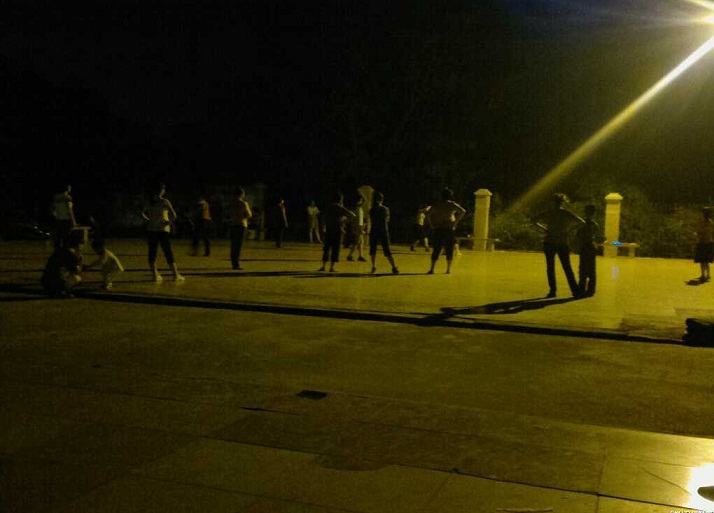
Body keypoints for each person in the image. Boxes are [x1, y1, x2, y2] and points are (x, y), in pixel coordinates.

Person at [534, 193, 584, 298]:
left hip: (551, 242)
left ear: (555, 202)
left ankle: (553, 290)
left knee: (552, 267)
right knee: (566, 267)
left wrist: (545, 229)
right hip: (560, 242)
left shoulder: (551, 213)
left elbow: (534, 220)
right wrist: (568, 231)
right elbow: (581, 222)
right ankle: (574, 290)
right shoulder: (564, 213)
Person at [141, 183, 184, 283]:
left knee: (152, 252)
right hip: (163, 229)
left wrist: (148, 220)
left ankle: (155, 275)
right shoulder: (165, 201)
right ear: (162, 190)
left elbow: (141, 213)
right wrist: (169, 222)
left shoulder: (150, 201)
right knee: (168, 251)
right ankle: (175, 274)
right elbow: (174, 215)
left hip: (152, 229)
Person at [426, 188, 466, 274]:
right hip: (449, 228)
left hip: (438, 228)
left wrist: (431, 224)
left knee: (436, 248)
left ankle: (432, 268)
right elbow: (463, 211)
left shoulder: (437, 204)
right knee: (449, 248)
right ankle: (448, 269)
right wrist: (456, 222)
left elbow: (428, 214)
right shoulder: (451, 204)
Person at [319, 192, 355, 272]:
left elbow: (323, 217)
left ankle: (323, 266)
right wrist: (344, 221)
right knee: (335, 249)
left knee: (327, 248)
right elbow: (352, 215)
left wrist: (324, 226)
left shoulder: (329, 207)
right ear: (340, 199)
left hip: (329, 229)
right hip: (338, 230)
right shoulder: (340, 208)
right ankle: (331, 267)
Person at [41, 232, 83, 298]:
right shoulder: (72, 254)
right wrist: (80, 260)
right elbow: (76, 270)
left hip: (45, 282)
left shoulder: (58, 250)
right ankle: (61, 291)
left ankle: (54, 289)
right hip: (58, 282)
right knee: (77, 278)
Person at [369, 192, 399, 274]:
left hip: (374, 230)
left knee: (373, 249)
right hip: (383, 230)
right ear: (382, 199)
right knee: (387, 250)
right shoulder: (385, 209)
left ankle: (373, 266)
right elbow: (387, 220)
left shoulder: (371, 210)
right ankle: (394, 267)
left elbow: (371, 221)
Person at [575, 204, 599, 297]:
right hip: (591, 247)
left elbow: (578, 235)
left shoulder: (582, 224)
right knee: (591, 269)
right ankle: (590, 290)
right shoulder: (594, 225)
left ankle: (582, 288)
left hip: (585, 247)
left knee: (583, 269)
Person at [227, 186, 252, 270]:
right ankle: (236, 263)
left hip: (232, 224)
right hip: (241, 224)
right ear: (241, 194)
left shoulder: (230, 203)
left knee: (233, 244)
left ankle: (233, 262)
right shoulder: (243, 203)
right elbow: (249, 214)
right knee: (238, 245)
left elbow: (227, 213)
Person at [695, 206, 714, 283]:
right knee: (707, 260)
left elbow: (701, 232)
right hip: (709, 242)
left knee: (702, 260)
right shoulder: (711, 222)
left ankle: (703, 275)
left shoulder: (702, 222)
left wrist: (697, 234)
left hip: (703, 242)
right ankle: (708, 275)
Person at [346, 195, 367, 262]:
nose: (361, 201)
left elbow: (365, 200)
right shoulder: (356, 209)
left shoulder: (359, 207)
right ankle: (350, 255)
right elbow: (354, 219)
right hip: (357, 227)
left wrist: (362, 196)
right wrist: (358, 228)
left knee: (361, 242)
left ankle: (361, 256)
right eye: (360, 200)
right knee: (357, 242)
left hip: (359, 226)